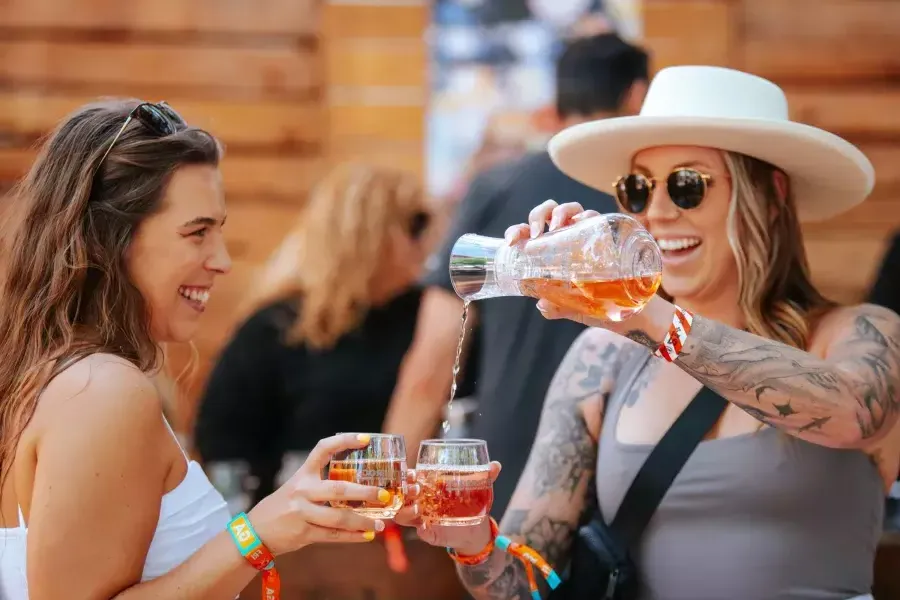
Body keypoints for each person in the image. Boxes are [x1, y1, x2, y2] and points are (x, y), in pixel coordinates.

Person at [403, 66, 898, 600]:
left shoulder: (860, 331)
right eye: (636, 189)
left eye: (688, 185)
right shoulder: (602, 358)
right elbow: (527, 582)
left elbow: (853, 414)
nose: (656, 213)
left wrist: (645, 313)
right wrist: (474, 540)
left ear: (770, 194)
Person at [0, 100, 395, 599]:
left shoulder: (56, 373)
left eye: (219, 231)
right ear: (111, 240)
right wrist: (260, 533)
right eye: (197, 233)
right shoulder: (102, 390)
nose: (222, 261)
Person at [382, 31, 650, 519]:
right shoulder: (651, 198)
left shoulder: (496, 186)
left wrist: (389, 489)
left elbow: (431, 363)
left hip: (505, 471)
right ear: (636, 96)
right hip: (630, 469)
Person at [194, 163, 433, 507]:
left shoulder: (428, 314)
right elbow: (223, 444)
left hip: (402, 526)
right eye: (415, 225)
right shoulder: (278, 325)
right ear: (368, 233)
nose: (426, 240)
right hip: (299, 522)